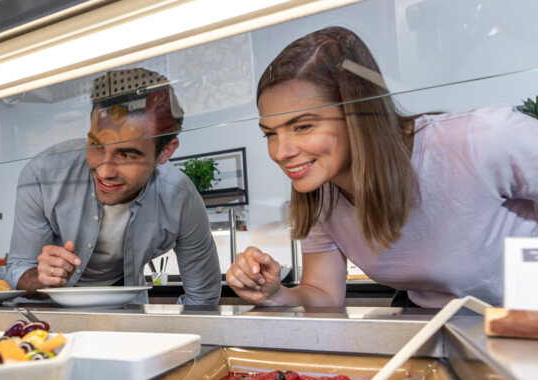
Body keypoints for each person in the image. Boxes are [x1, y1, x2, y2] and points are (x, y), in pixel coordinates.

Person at [227, 26, 538, 308]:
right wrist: (277, 293)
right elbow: (322, 294)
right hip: (440, 332)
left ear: (359, 112)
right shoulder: (322, 192)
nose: (281, 152)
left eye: (303, 127)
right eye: (270, 133)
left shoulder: (484, 139)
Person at [5, 68, 222, 305]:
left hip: (129, 319)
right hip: (51, 320)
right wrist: (42, 279)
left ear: (166, 151)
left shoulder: (181, 198)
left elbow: (203, 297)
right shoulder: (42, 176)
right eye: (97, 146)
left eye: (127, 155)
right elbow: (19, 271)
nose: (104, 171)